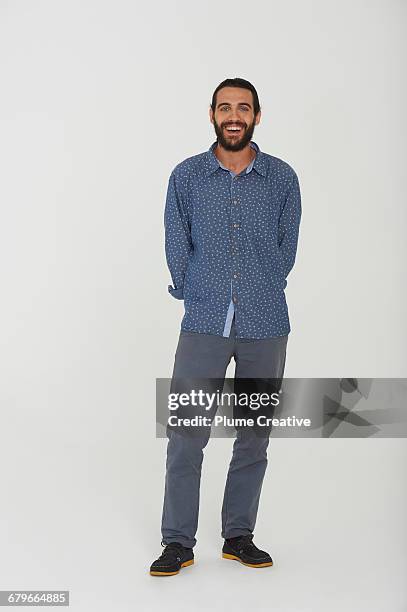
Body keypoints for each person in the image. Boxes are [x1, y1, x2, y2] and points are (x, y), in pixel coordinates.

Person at [150, 78, 302, 576]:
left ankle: (239, 536)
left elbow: (287, 248)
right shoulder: (187, 176)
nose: (233, 115)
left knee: (254, 435)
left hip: (266, 324)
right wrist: (197, 291)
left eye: (243, 107)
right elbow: (177, 243)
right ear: (212, 115)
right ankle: (178, 542)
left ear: (258, 116)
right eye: (224, 107)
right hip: (203, 323)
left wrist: (260, 286)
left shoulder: (282, 178)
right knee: (186, 433)